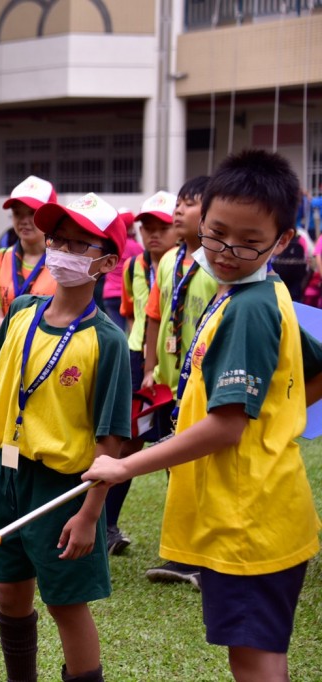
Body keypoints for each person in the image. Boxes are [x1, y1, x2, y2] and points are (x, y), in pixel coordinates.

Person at [86, 149, 322, 682]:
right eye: (216, 233)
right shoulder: (256, 291)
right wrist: (278, 419)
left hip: (249, 520)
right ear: (197, 220)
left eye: (248, 240)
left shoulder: (249, 308)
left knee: (253, 660)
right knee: (261, 653)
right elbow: (313, 366)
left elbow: (227, 426)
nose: (227, 250)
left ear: (283, 240)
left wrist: (124, 467)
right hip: (262, 511)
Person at [0, 192, 131, 682]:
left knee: (66, 604)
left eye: (79, 245)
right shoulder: (22, 312)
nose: (62, 251)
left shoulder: (108, 340)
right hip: (6, 472)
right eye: (58, 240)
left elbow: (111, 438)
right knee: (10, 590)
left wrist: (90, 514)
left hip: (63, 487)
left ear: (107, 263)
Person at [141, 176, 216, 589]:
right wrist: (150, 367)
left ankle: (207, 555)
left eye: (189, 204)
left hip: (206, 385)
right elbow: (155, 315)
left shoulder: (218, 261)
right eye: (180, 204)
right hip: (174, 386)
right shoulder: (169, 261)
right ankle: (184, 554)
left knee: (203, 469)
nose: (178, 210)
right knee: (176, 467)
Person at [104, 191, 178, 555]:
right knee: (126, 443)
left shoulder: (189, 266)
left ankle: (181, 539)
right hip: (138, 362)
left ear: (177, 229)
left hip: (175, 364)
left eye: (161, 226)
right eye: (147, 226)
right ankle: (106, 526)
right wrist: (143, 358)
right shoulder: (134, 265)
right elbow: (132, 314)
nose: (153, 234)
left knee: (176, 449)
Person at [0, 176, 59, 461]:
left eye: (32, 214)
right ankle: (11, 498)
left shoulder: (62, 263)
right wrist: (30, 330)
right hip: (2, 372)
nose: (24, 221)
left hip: (46, 371)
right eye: (18, 214)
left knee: (39, 448)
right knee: (5, 448)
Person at [99, 209, 144, 329]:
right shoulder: (135, 247)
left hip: (109, 294)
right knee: (133, 330)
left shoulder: (112, 246)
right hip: (128, 295)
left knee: (116, 330)